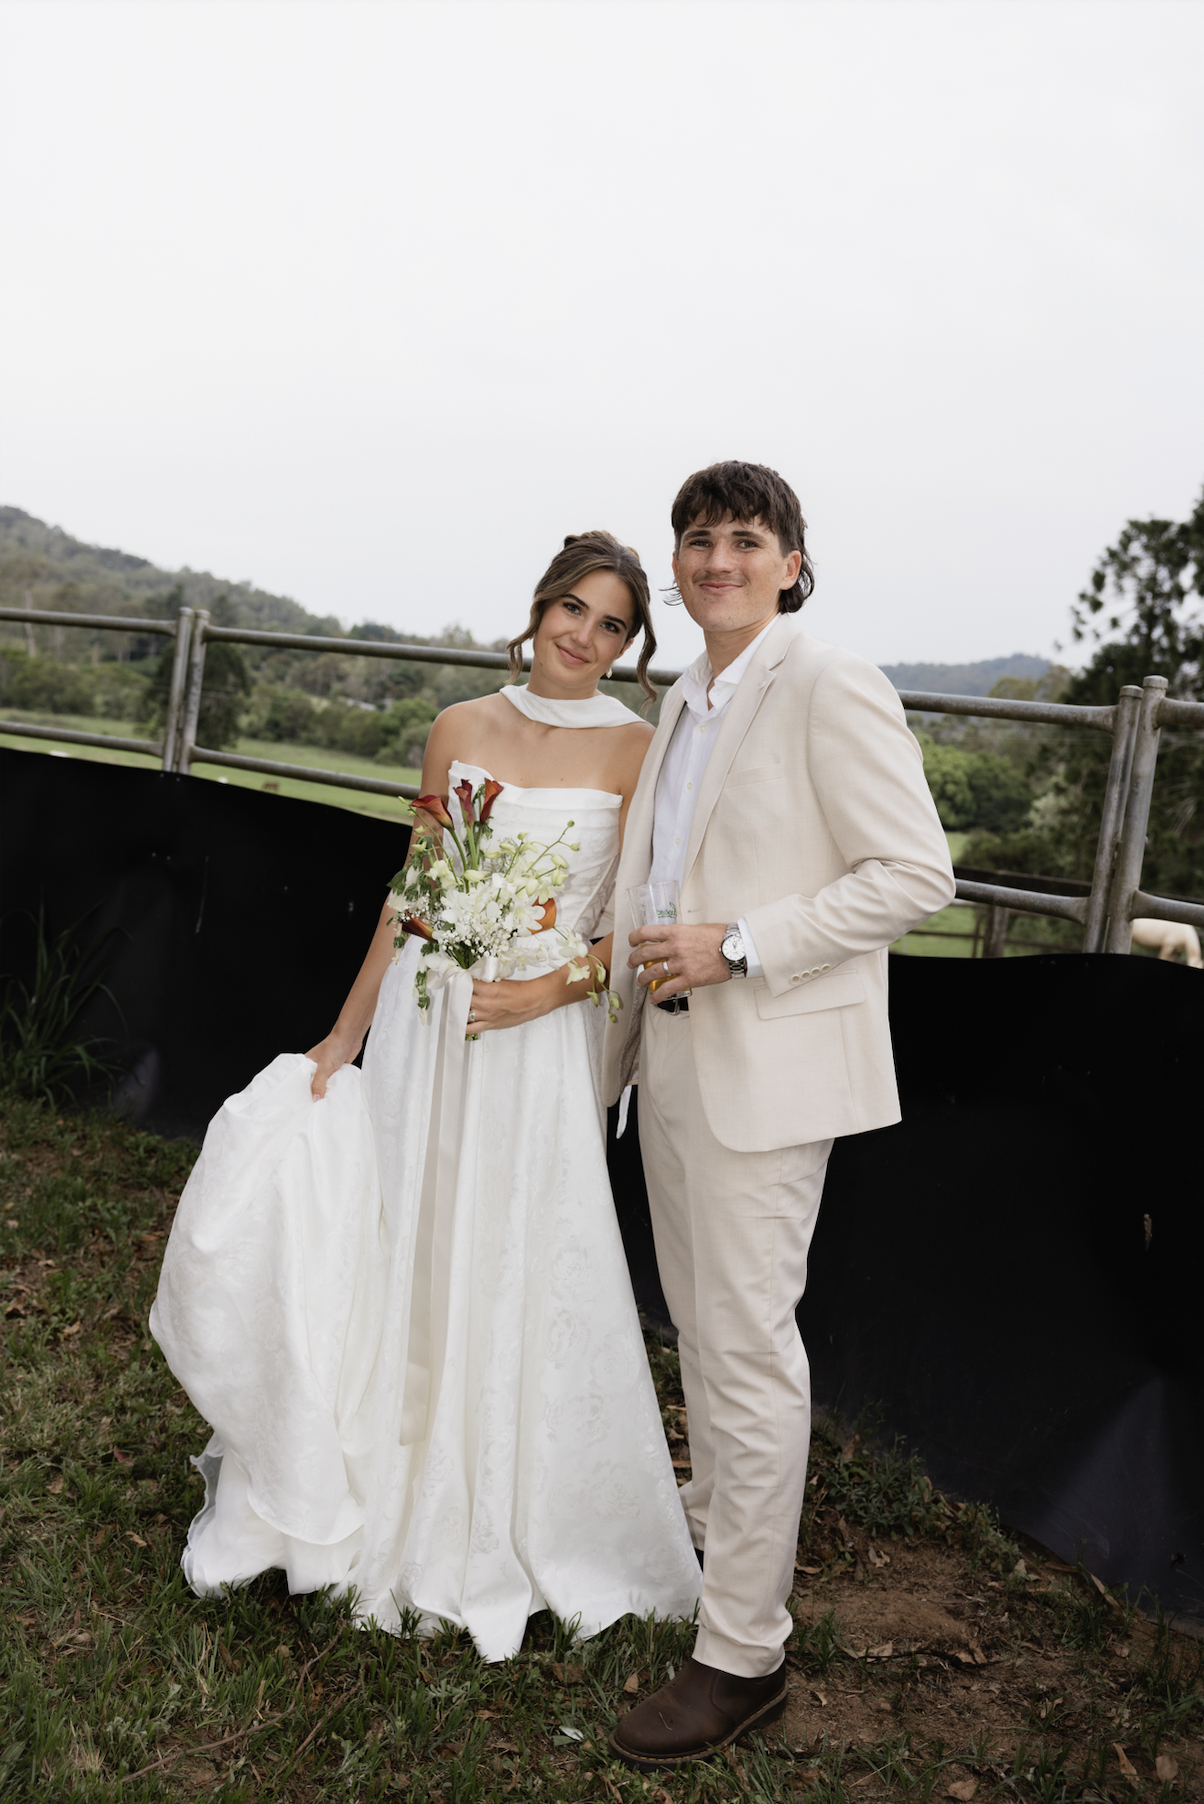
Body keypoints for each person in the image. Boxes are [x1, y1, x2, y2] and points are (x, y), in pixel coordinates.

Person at [150, 531, 702, 1662]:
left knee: (514, 1242)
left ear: (629, 645)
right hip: (423, 1016)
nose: (583, 638)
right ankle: (367, 1472)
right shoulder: (459, 726)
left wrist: (548, 988)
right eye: (572, 610)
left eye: (611, 627)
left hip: (532, 1036)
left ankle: (505, 1498)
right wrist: (346, 1033)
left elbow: (630, 929)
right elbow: (413, 892)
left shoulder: (638, 751)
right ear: (539, 606)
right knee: (397, 1227)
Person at [603, 463, 956, 1770]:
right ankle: (707, 1533)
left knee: (746, 1350)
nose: (716, 558)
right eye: (697, 539)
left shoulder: (826, 682)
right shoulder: (681, 697)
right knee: (700, 1326)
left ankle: (741, 1656)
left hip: (765, 1066)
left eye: (745, 539)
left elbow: (915, 871)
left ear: (793, 564)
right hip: (674, 1065)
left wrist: (742, 943)